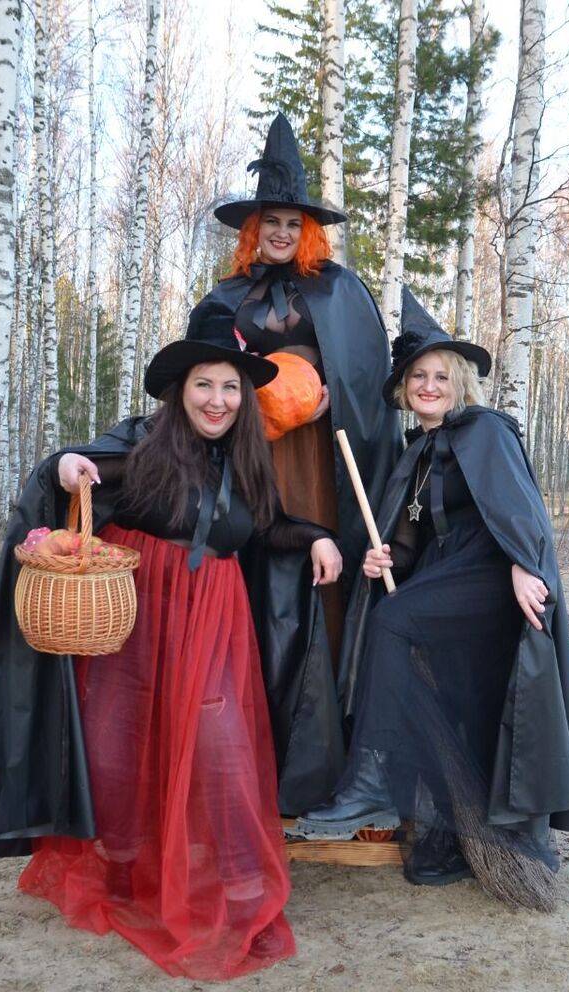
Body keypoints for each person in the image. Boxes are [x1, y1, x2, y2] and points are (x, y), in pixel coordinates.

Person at [0, 307, 342, 980]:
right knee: (119, 740)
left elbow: (264, 527)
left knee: (220, 744)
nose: (217, 400)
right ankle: (120, 870)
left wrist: (317, 536)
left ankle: (237, 879)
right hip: (141, 612)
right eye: (204, 385)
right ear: (181, 390)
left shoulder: (246, 457)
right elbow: (76, 467)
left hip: (214, 618)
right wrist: (65, 466)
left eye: (230, 387)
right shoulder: (144, 442)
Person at [293, 292, 569, 910]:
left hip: (488, 575)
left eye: (441, 376)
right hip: (444, 581)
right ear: (404, 389)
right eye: (418, 377)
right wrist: (385, 559)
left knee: (393, 620)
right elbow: (412, 536)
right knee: (439, 689)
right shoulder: (417, 451)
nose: (429, 386)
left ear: (459, 384)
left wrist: (523, 565)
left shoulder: (485, 431)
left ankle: (372, 778)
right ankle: (452, 836)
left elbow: (518, 509)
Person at [192, 111, 401, 814]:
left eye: (291, 223)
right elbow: (198, 377)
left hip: (322, 458)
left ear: (307, 230)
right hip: (251, 456)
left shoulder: (339, 290)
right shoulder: (225, 297)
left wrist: (327, 399)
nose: (280, 233)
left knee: (321, 583)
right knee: (257, 583)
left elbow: (367, 378)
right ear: (253, 229)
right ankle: (249, 753)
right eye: (270, 222)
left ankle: (324, 757)